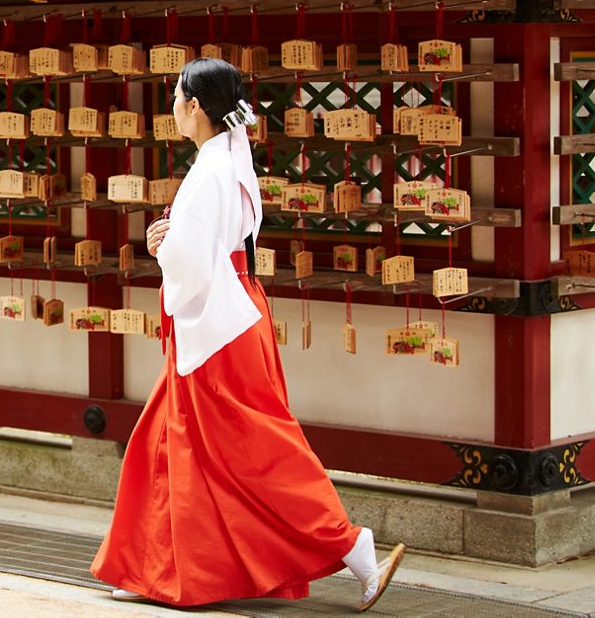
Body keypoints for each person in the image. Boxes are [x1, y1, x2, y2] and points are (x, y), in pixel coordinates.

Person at [89, 57, 403, 612]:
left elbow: (190, 257)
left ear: (195, 107)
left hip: (218, 324)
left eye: (179, 97)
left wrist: (162, 245)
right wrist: (174, 238)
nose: (174, 107)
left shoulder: (210, 170)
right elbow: (212, 243)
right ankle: (150, 568)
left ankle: (352, 545)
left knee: (251, 448)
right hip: (231, 310)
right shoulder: (228, 160)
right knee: (165, 443)